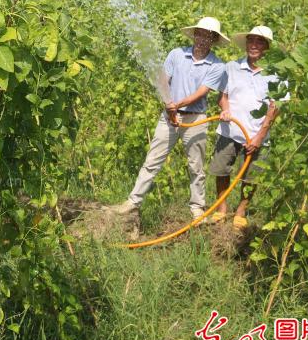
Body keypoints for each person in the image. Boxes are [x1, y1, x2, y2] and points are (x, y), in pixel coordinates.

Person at [108, 17, 229, 239]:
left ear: (213, 40)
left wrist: (178, 105)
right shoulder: (176, 54)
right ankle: (133, 201)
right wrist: (169, 107)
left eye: (208, 35)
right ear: (195, 35)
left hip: (195, 119)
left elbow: (202, 92)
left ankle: (197, 209)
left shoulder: (218, 65)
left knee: (196, 166)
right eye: (200, 33)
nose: (203, 38)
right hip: (168, 117)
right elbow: (164, 80)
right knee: (153, 160)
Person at [209, 26, 285, 234]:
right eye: (251, 41)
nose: (254, 45)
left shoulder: (276, 73)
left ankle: (240, 213)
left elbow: (275, 106)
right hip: (229, 131)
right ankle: (221, 209)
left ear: (267, 47)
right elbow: (222, 96)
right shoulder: (231, 67)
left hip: (256, 135)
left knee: (251, 177)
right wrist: (225, 109)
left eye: (259, 42)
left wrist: (259, 137)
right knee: (221, 169)